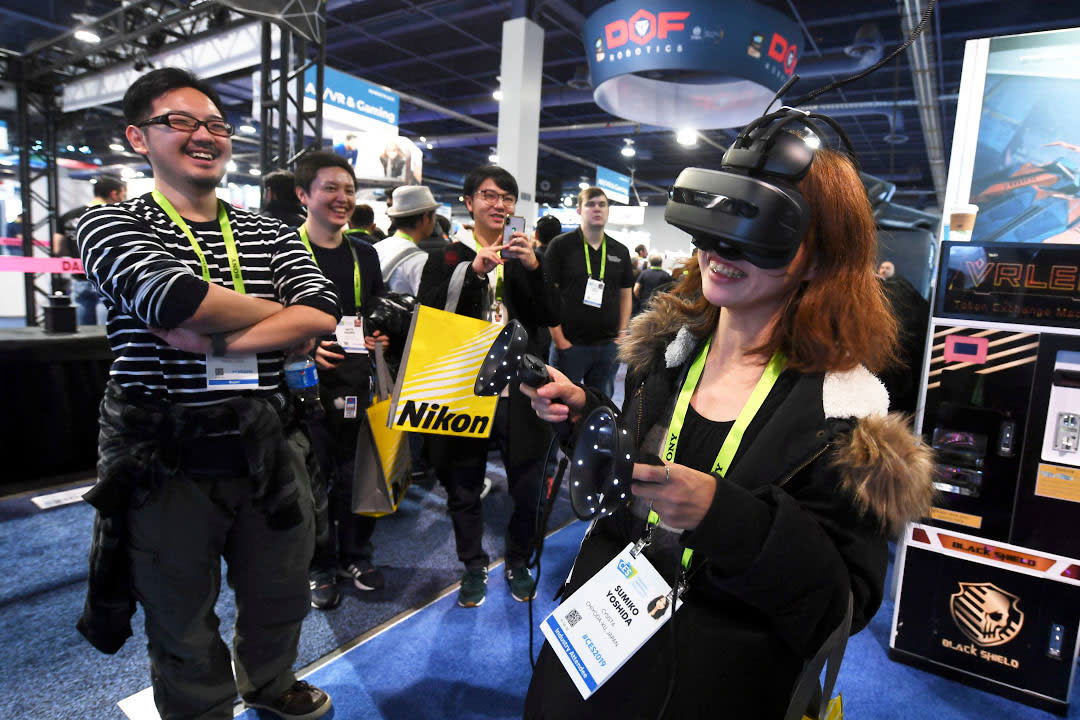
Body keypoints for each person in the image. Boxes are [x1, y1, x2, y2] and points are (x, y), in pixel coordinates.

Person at [520, 148, 933, 718]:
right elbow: (638, 473)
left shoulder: (845, 422)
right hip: (597, 646)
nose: (721, 251)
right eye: (718, 224)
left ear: (820, 258)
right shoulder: (667, 357)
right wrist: (585, 418)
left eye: (760, 232)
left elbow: (840, 603)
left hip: (718, 686)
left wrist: (730, 520)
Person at [75, 67, 339, 720]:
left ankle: (271, 683)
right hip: (165, 456)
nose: (204, 135)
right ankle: (200, 711)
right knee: (178, 608)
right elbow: (170, 297)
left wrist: (213, 338)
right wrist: (274, 317)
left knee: (281, 592)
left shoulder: (272, 232)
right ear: (139, 137)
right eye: (180, 122)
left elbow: (321, 310)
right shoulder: (107, 226)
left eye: (216, 124)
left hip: (268, 446)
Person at [417, 164, 556, 607]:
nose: (499, 205)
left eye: (508, 198)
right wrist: (474, 273)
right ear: (469, 201)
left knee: (529, 483)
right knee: (462, 483)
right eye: (489, 195)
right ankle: (473, 565)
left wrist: (533, 266)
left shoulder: (526, 257)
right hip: (462, 389)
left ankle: (518, 560)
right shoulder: (446, 255)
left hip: (519, 389)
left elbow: (553, 315)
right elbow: (430, 315)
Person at [293, 151, 390, 609]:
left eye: (349, 190)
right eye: (330, 188)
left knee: (357, 475)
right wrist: (308, 346)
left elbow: (372, 306)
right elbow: (270, 314)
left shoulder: (364, 253)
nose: (342, 198)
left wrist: (378, 334)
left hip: (355, 382)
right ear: (303, 195)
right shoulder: (285, 248)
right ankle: (318, 564)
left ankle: (356, 554)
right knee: (314, 481)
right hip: (300, 386)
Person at [544, 186, 634, 399]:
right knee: (561, 408)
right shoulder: (560, 246)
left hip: (607, 347)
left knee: (601, 405)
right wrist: (559, 339)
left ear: (608, 211)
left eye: (602, 204)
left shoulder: (620, 251)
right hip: (569, 344)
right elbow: (548, 295)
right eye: (590, 204)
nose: (597, 209)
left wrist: (621, 335)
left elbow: (626, 295)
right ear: (579, 210)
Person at [53, 175, 126, 324]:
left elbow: (58, 249)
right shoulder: (117, 214)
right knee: (105, 322)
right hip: (106, 277)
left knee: (82, 328)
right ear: (114, 193)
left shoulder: (68, 216)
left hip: (79, 275)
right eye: (123, 194)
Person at [375, 185, 437, 295]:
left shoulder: (375, 248)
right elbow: (426, 306)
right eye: (434, 215)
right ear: (426, 217)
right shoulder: (421, 261)